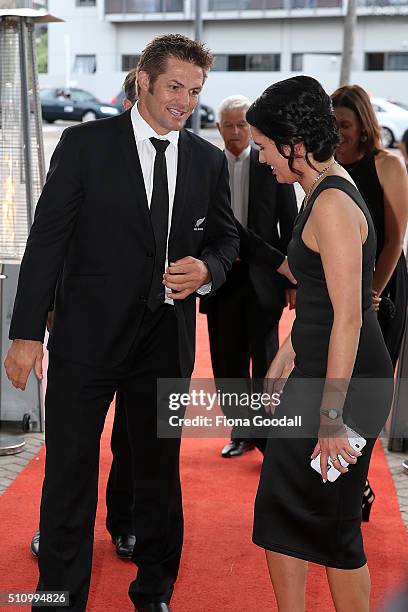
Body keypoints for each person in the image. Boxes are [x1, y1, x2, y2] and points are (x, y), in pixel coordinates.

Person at [5, 33, 239, 612]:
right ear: (144, 81)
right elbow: (48, 241)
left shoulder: (208, 160)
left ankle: (154, 591)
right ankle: (59, 598)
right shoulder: (85, 146)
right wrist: (26, 333)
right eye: (174, 88)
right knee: (69, 475)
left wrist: (206, 269)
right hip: (86, 341)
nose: (184, 101)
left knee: (159, 476)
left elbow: (229, 239)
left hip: (165, 343)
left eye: (195, 90)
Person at [247, 76, 394, 611]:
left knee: (334, 530)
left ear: (294, 144)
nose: (263, 159)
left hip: (347, 389)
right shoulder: (319, 190)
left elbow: (350, 318)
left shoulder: (331, 204)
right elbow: (322, 298)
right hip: (323, 377)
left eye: (265, 147)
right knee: (281, 510)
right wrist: (287, 355)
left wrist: (331, 416)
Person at [29, 68, 141, 563]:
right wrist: (39, 314)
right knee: (70, 451)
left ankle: (126, 523)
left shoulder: (187, 155)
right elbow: (52, 234)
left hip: (148, 331)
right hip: (81, 324)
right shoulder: (85, 144)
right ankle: (57, 538)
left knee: (135, 443)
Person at [200, 94, 297, 458]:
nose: (237, 132)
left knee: (267, 358)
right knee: (228, 363)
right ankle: (241, 430)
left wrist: (291, 281)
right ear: (219, 127)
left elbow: (289, 220)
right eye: (230, 125)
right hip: (223, 277)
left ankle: (268, 436)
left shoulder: (268, 161)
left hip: (264, 277)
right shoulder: (209, 165)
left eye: (243, 125)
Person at [332, 85, 408, 520]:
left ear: (364, 124)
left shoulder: (387, 164)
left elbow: (395, 238)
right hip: (343, 291)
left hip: (384, 290)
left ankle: (355, 488)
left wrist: (371, 294)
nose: (339, 133)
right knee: (337, 394)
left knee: (368, 396)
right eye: (334, 125)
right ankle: (347, 484)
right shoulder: (330, 167)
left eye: (345, 124)